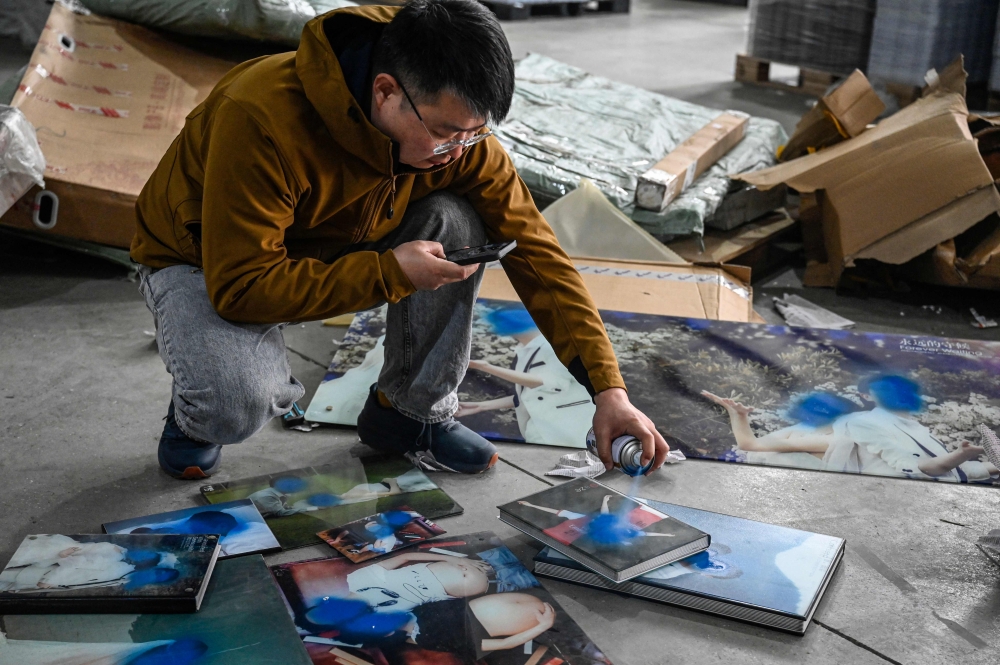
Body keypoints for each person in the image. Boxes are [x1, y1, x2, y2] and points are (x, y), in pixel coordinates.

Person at [130, 0, 668, 480]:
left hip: (337, 243)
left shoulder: (457, 135)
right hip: (206, 260)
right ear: (386, 91)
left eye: (474, 132)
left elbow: (539, 257)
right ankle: (194, 417)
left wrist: (608, 391)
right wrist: (391, 271)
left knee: (459, 222)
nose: (459, 149)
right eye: (444, 132)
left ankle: (408, 414)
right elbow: (243, 288)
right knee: (234, 404)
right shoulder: (259, 118)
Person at [456, 308, 596, 447]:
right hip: (538, 431)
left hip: (565, 432)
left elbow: (552, 384)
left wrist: (485, 367)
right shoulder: (524, 351)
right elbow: (528, 395)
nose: (494, 328)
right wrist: (480, 406)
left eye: (498, 323)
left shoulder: (554, 347)